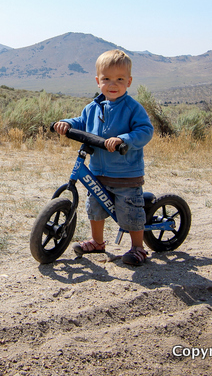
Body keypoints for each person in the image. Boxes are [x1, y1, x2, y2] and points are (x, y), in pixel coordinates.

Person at [53, 49, 154, 266]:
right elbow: (81, 121)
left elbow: (145, 130)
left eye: (119, 79)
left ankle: (138, 247)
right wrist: (67, 123)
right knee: (95, 206)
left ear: (129, 81)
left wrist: (123, 139)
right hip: (98, 170)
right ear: (98, 81)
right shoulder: (92, 108)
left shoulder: (132, 108)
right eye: (107, 79)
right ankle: (98, 242)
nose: (113, 84)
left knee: (130, 210)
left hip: (125, 173)